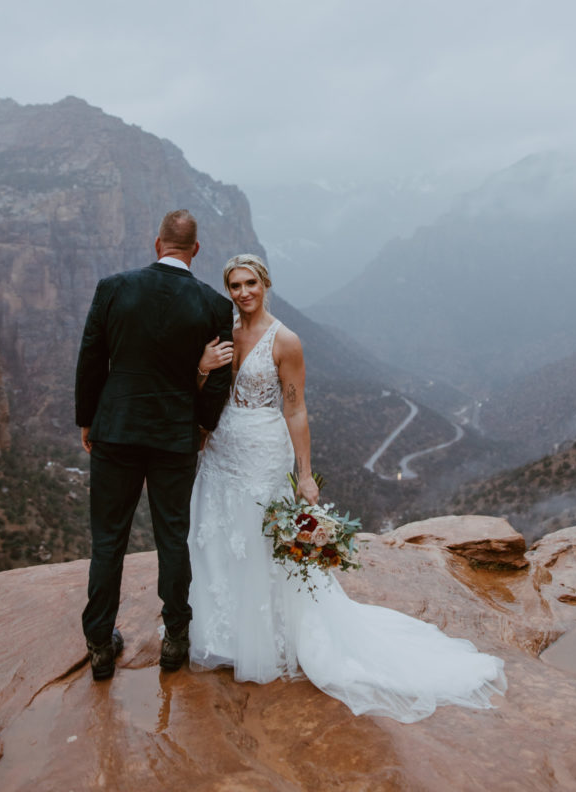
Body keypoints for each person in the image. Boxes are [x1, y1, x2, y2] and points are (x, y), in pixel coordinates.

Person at [189, 253, 507, 723]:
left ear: (266, 283)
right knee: (220, 535)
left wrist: (304, 474)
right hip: (220, 450)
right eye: (234, 285)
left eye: (250, 283)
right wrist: (200, 367)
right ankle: (227, 632)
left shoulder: (286, 340)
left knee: (263, 542)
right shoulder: (222, 333)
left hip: (262, 452)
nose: (243, 293)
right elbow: (200, 392)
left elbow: (295, 409)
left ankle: (271, 635)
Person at [75, 210, 233, 679]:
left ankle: (101, 644)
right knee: (172, 537)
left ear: (156, 243)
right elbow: (220, 374)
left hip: (116, 431)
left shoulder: (113, 287)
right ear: (196, 250)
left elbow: (91, 357)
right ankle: (175, 638)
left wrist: (88, 419)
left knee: (108, 540)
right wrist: (202, 426)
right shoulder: (212, 303)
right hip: (173, 437)